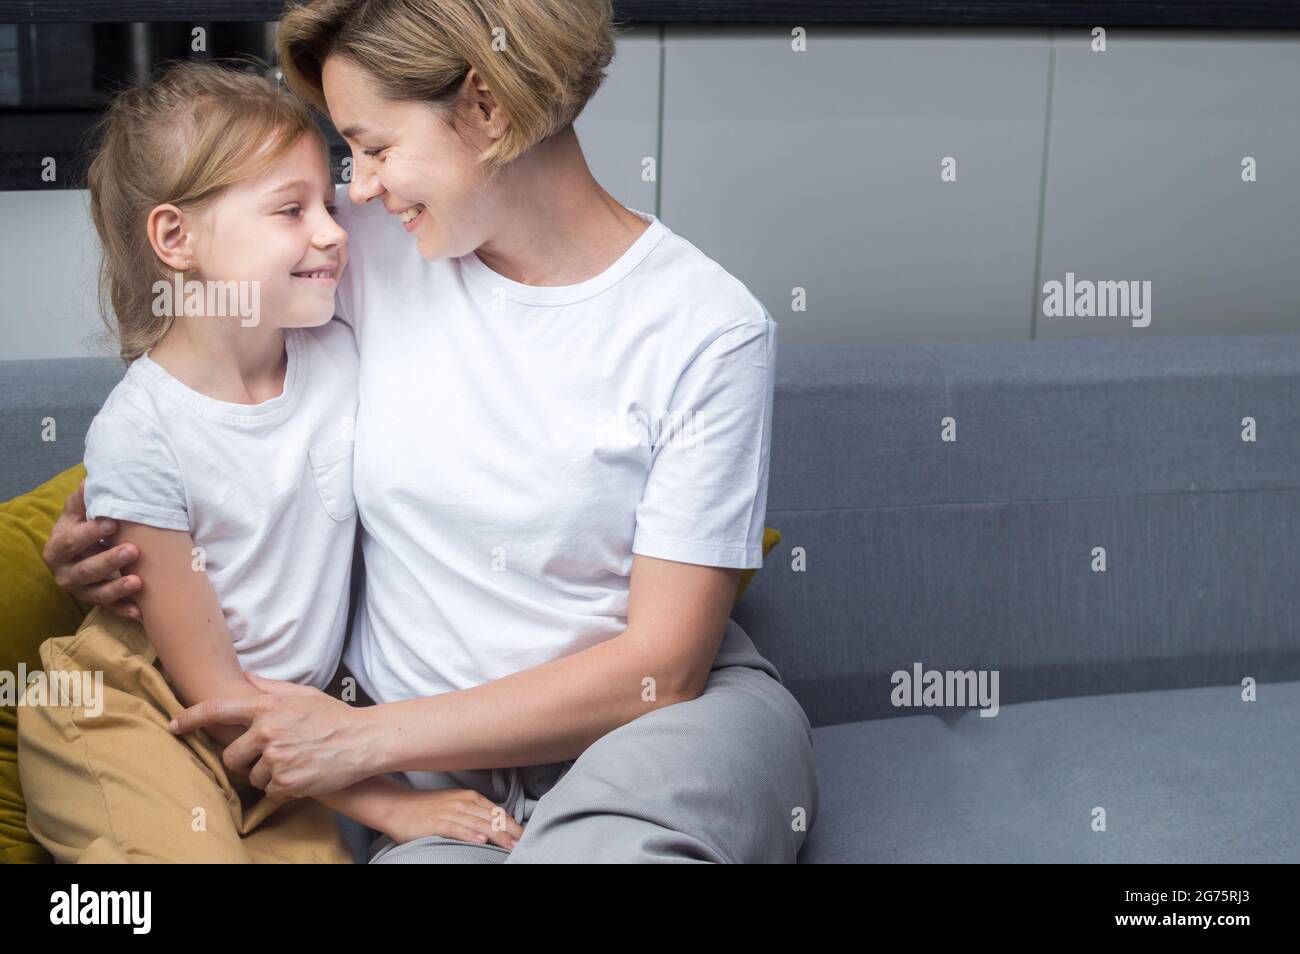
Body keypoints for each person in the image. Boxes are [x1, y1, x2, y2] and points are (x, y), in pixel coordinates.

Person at [42, 0, 819, 863]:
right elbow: (206, 409)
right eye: (347, 156)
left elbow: (663, 669)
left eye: (374, 147)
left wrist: (363, 741)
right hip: (432, 775)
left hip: (650, 731)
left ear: (486, 107)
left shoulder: (706, 329)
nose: (356, 190)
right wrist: (98, 542)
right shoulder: (353, 250)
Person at [19, 60, 523, 863]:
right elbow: (211, 692)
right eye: (292, 209)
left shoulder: (339, 357)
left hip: (278, 735)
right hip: (144, 709)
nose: (332, 230)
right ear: (175, 239)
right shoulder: (142, 432)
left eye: (327, 202)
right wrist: (391, 806)